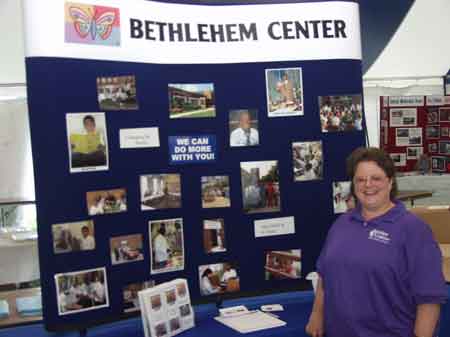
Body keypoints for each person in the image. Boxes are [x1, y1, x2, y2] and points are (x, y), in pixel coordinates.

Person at [306, 147, 447, 337]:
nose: (368, 185)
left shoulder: (413, 229)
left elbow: (429, 298)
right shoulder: (341, 224)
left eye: (376, 178)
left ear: (390, 182)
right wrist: (316, 314)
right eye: (360, 180)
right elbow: (325, 275)